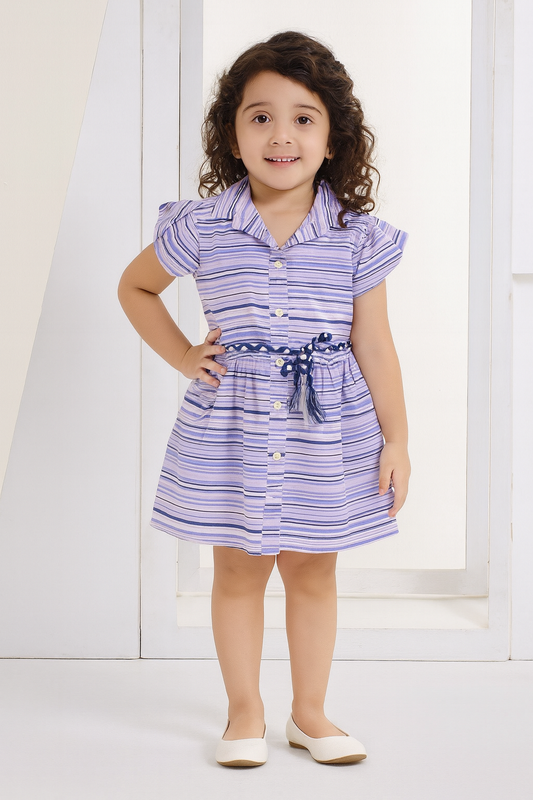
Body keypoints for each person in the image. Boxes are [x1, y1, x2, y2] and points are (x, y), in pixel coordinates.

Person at [118, 30, 410, 767]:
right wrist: (185, 354)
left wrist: (396, 439)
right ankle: (243, 711)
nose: (282, 134)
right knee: (238, 568)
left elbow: (373, 344)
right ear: (232, 135)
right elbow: (136, 287)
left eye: (303, 117)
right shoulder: (203, 225)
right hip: (232, 425)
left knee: (313, 568)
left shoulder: (355, 236)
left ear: (334, 136)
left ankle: (308, 713)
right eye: (260, 116)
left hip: (328, 431)